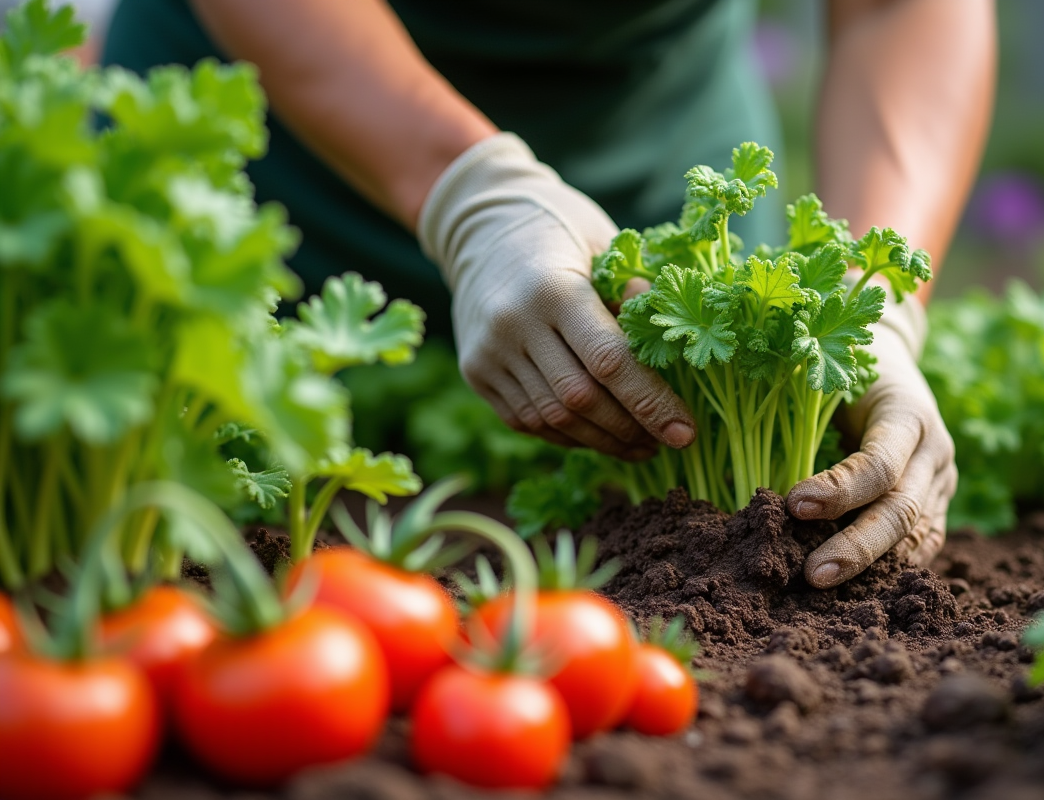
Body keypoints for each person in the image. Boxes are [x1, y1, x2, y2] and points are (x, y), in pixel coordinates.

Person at [103, 0, 995, 588]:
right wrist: (472, 194)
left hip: (657, 155)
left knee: (709, 402)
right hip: (287, 164)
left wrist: (874, 305)